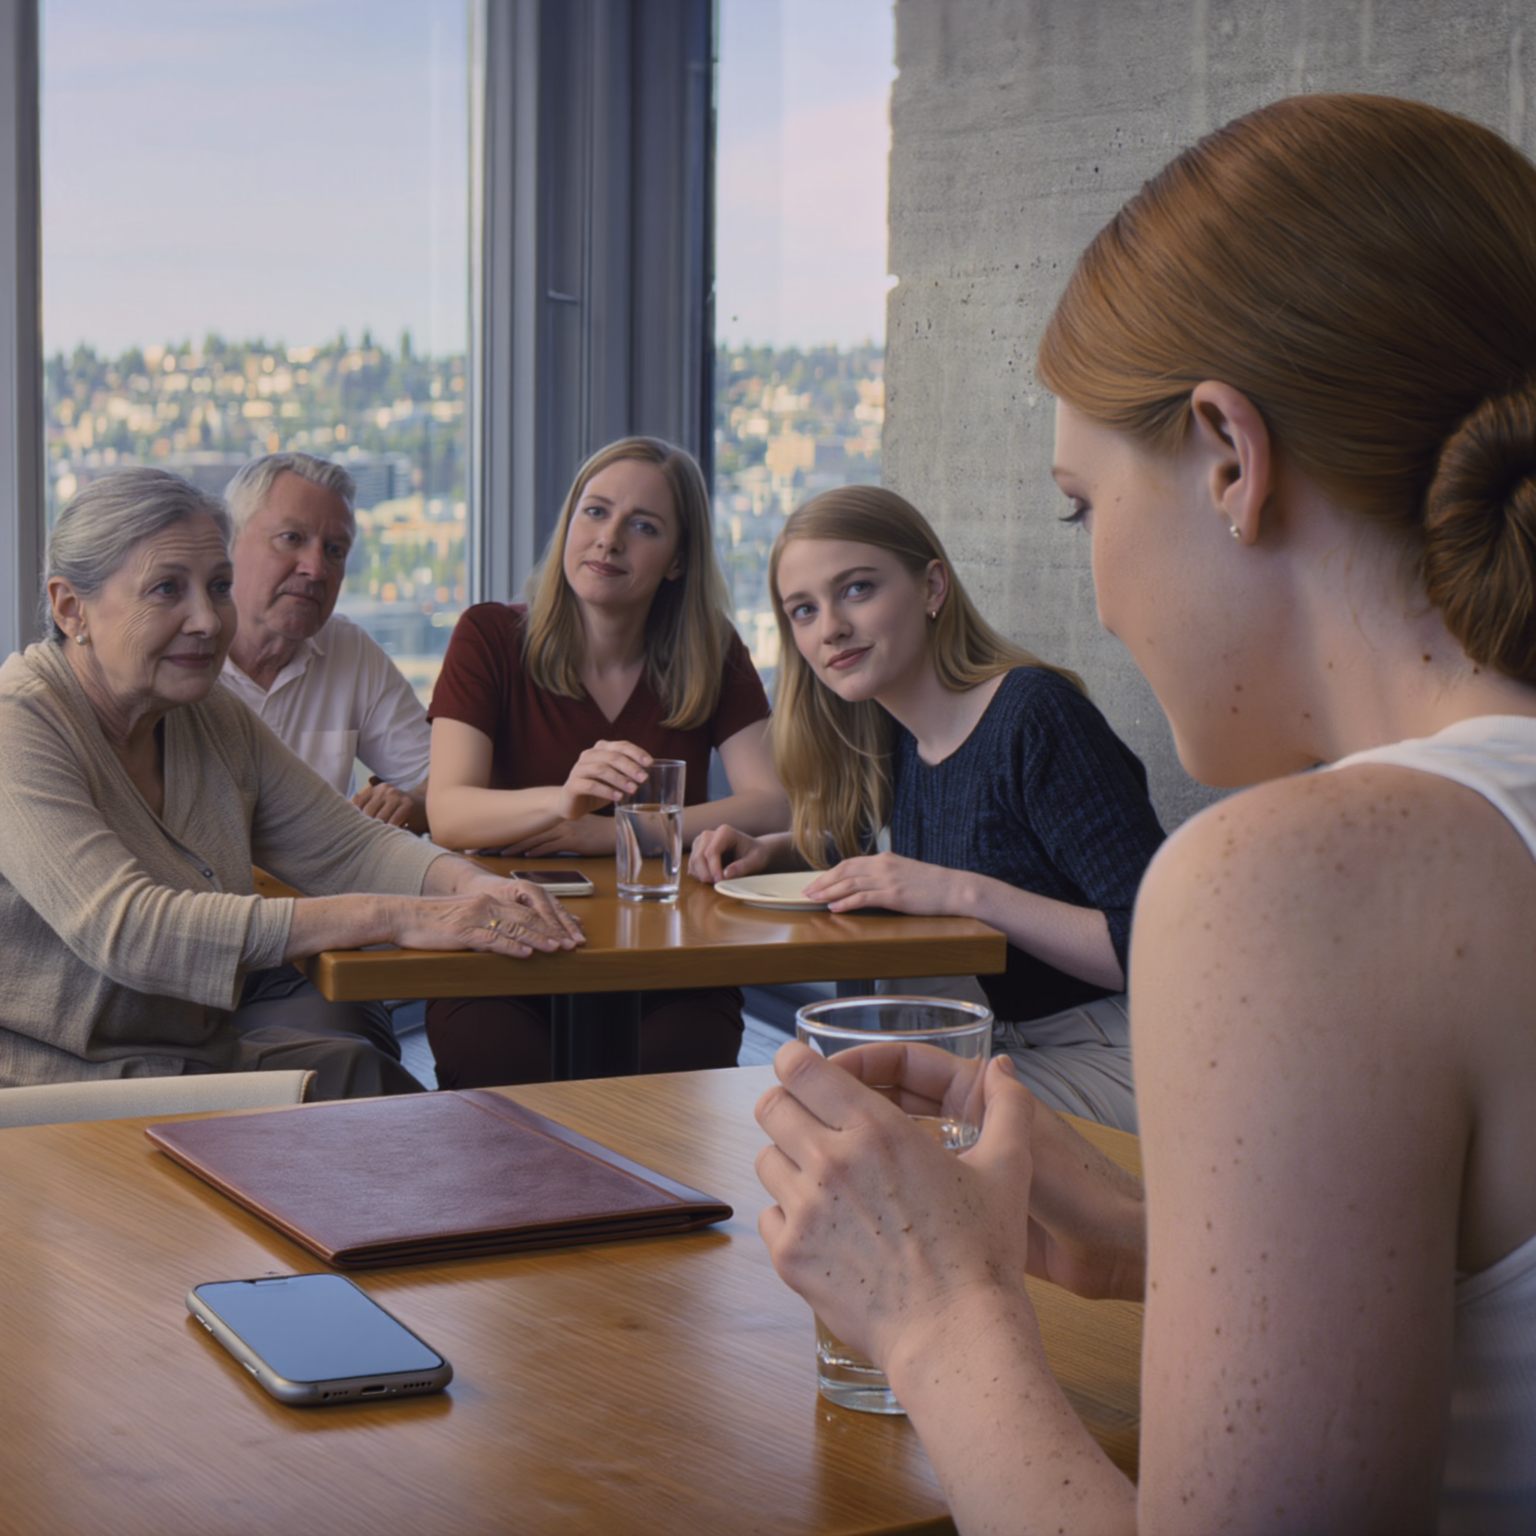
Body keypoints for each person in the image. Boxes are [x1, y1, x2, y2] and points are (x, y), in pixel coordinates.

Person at [751, 93, 1536, 1533]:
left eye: (1080, 504)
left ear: (1230, 458)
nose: (1096, 581)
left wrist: (932, 1310)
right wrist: (1140, 1233)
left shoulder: (1292, 880)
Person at [0, 468, 583, 1099]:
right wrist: (395, 917)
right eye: (167, 589)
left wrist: (475, 887)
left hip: (186, 1063)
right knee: (365, 1115)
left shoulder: (209, 716)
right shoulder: (19, 725)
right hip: (51, 1086)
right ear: (70, 607)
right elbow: (131, 932)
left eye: (218, 587)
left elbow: (349, 847)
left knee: (387, 1093)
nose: (206, 619)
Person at [690, 486, 1165, 1132]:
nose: (829, 627)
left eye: (857, 589)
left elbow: (1154, 942)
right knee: (827, 1098)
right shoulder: (897, 737)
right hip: (1004, 1045)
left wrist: (962, 892)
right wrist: (769, 849)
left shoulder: (1034, 715)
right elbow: (872, 845)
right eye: (802, 610)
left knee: (865, 1118)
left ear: (933, 587)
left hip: (1128, 1051)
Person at [425, 436, 789, 1085]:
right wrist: (562, 799)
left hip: (671, 950)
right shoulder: (486, 636)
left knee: (684, 1057)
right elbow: (448, 813)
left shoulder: (714, 649)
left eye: (643, 526)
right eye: (594, 512)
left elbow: (772, 803)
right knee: (493, 1063)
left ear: (678, 560)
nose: (609, 539)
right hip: (503, 940)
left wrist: (613, 831)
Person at [221, 453, 432, 832]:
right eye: (292, 538)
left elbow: (443, 784)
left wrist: (412, 804)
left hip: (324, 890)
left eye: (335, 550)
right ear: (229, 543)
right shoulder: (180, 654)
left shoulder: (349, 651)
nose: (316, 569)